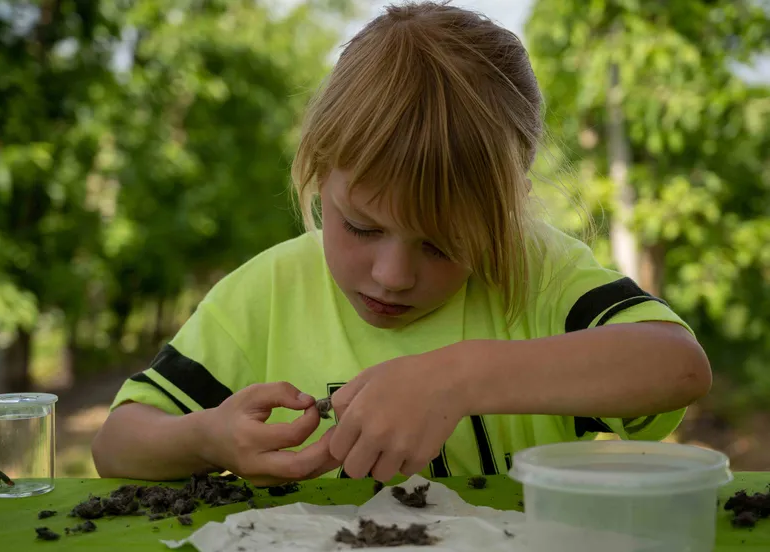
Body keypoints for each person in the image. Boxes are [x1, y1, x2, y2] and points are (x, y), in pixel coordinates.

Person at [91, 1, 711, 485]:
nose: (391, 275)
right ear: (318, 171)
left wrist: (461, 377)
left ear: (508, 209)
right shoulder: (268, 291)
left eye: (442, 245)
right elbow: (117, 443)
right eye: (361, 227)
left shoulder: (536, 273)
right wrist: (203, 439)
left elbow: (677, 366)